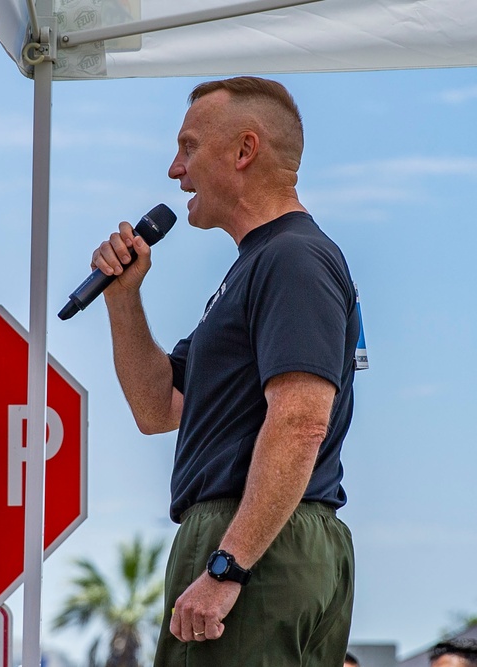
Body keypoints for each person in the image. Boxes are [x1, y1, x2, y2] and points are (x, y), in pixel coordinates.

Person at [92, 76, 358, 666]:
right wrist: (123, 298)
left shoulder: (292, 259)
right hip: (254, 536)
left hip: (257, 541)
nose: (173, 170)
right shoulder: (260, 265)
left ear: (243, 151)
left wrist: (228, 564)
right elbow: (157, 408)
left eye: (188, 147)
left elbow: (299, 423)